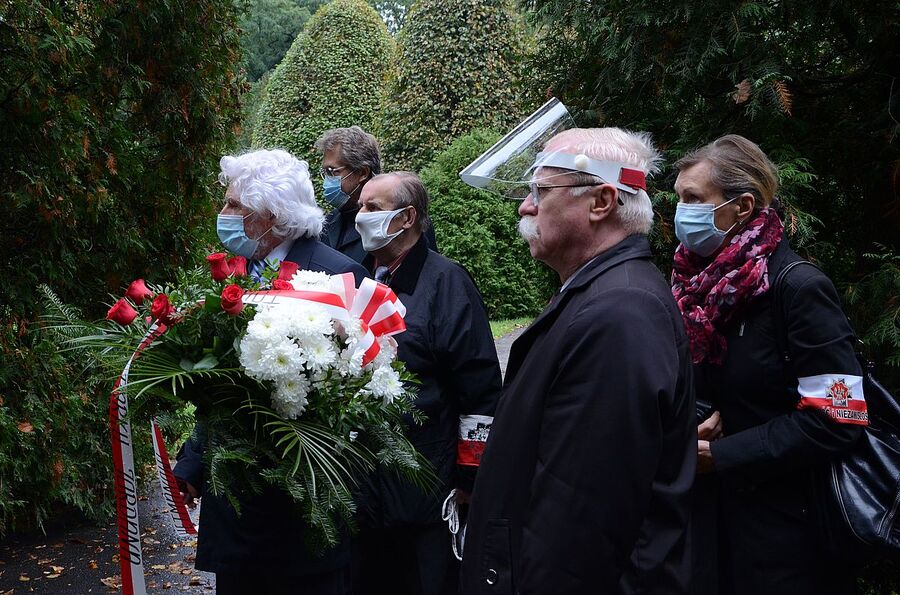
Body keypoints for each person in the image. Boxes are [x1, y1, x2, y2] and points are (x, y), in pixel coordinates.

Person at [459, 128, 696, 594]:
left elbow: (579, 522)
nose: (526, 207)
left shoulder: (620, 313)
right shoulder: (600, 294)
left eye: (540, 191)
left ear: (601, 202)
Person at [670, 135, 865, 595]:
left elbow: (841, 416)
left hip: (787, 540)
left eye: (694, 199)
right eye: (678, 199)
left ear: (741, 207)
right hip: (708, 530)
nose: (680, 212)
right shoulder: (689, 284)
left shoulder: (797, 289)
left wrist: (721, 456)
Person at [173, 148, 367, 595]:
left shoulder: (337, 276)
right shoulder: (234, 280)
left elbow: (361, 397)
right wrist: (194, 460)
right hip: (238, 515)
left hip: (302, 515)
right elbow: (221, 390)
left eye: (234, 205)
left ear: (270, 216)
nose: (223, 214)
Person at [351, 172, 502, 595]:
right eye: (360, 206)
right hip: (364, 485)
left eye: (373, 208)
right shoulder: (360, 280)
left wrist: (471, 477)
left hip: (427, 484)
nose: (360, 216)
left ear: (406, 218)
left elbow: (480, 387)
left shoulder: (446, 282)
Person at [314, 126, 436, 263]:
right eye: (324, 173)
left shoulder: (400, 220)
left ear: (362, 172)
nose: (326, 180)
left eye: (332, 171)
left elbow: (424, 276)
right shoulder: (327, 223)